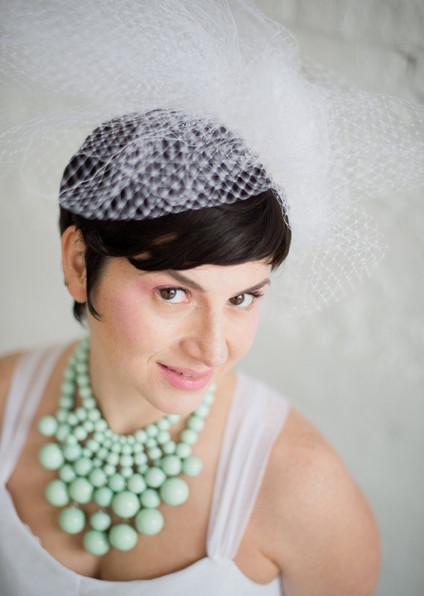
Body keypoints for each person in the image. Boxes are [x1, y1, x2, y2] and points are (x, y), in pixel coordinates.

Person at [0, 106, 380, 595]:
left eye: (241, 298)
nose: (213, 349)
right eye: (173, 293)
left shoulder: (302, 486)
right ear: (79, 264)